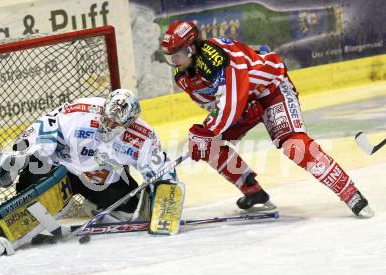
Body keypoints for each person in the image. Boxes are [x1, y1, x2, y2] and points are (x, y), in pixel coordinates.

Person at [160, 20, 373, 218]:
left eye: (176, 54)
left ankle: (350, 193)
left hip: (272, 90)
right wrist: (206, 135)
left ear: (190, 48)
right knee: (207, 144)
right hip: (244, 102)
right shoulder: (185, 78)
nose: (173, 61)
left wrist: (209, 130)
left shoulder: (217, 56)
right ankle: (253, 192)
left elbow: (233, 99)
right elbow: (218, 106)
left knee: (294, 145)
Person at [0, 89, 180, 257]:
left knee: (134, 215)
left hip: (101, 180)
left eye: (116, 122)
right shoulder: (80, 112)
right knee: (41, 192)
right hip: (61, 170)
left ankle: (97, 205)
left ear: (130, 122)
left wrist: (165, 197)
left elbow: (161, 171)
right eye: (107, 117)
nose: (109, 124)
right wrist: (21, 152)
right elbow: (45, 127)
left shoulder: (142, 137)